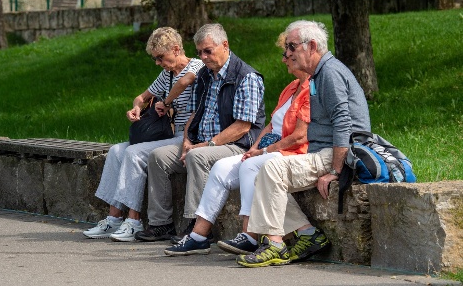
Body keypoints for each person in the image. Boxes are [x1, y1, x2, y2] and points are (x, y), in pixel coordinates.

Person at [236, 20, 371, 268]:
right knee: (262, 171)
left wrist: (335, 172)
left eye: (291, 46)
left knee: (271, 169)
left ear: (311, 46)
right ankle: (307, 234)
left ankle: (275, 244)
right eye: (286, 48)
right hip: (322, 151)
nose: (286, 53)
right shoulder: (319, 74)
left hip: (338, 153)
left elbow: (344, 123)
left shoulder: (329, 73)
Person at [164, 32, 311, 256]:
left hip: (289, 152)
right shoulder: (291, 87)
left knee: (248, 166)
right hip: (268, 149)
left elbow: (298, 136)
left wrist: (260, 150)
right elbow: (271, 125)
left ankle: (250, 235)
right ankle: (198, 236)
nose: (283, 59)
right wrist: (256, 148)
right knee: (222, 168)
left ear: (225, 45)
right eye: (199, 52)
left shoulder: (307, 88)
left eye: (288, 53)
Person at [134, 23, 266, 243]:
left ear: (225, 45)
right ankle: (160, 224)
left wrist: (206, 146)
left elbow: (242, 127)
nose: (203, 57)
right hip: (201, 143)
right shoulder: (205, 75)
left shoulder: (246, 77)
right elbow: (194, 115)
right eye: (200, 53)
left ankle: (197, 229)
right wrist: (186, 140)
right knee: (157, 157)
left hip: (236, 145)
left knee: (197, 157)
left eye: (208, 51)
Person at [83, 27, 203, 241]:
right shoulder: (166, 74)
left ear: (176, 49)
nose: (158, 62)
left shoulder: (197, 65)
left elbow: (185, 82)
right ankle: (114, 218)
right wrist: (136, 108)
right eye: (155, 58)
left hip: (188, 137)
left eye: (160, 57)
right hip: (168, 136)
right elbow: (141, 97)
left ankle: (134, 221)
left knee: (134, 153)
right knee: (116, 151)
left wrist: (166, 103)